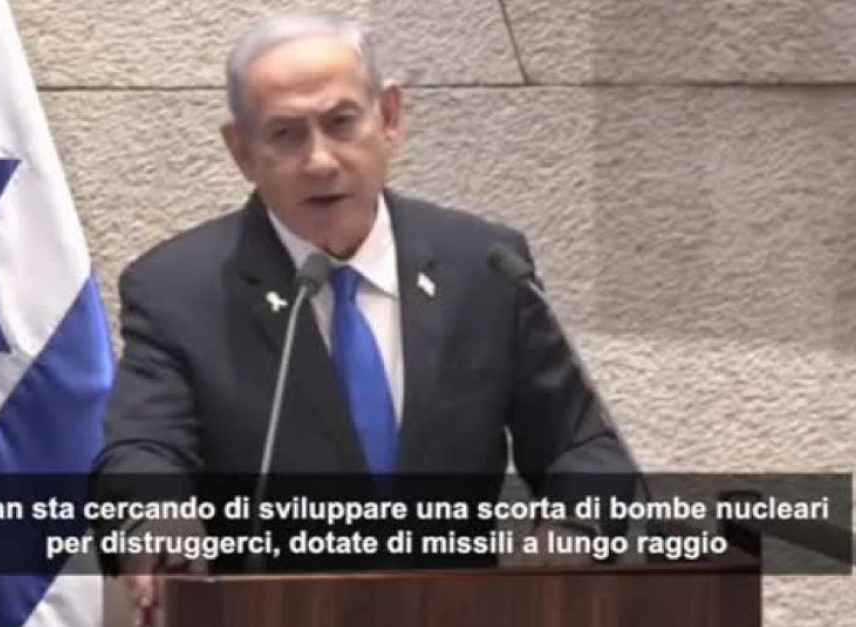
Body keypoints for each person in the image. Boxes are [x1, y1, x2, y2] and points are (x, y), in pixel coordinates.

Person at [91, 11, 637, 624]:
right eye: (286, 134)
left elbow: (583, 445)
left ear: (390, 117)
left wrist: (574, 526)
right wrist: (156, 518)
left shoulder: (485, 266)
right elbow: (142, 450)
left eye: (341, 122)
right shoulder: (178, 288)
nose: (320, 160)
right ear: (242, 151)